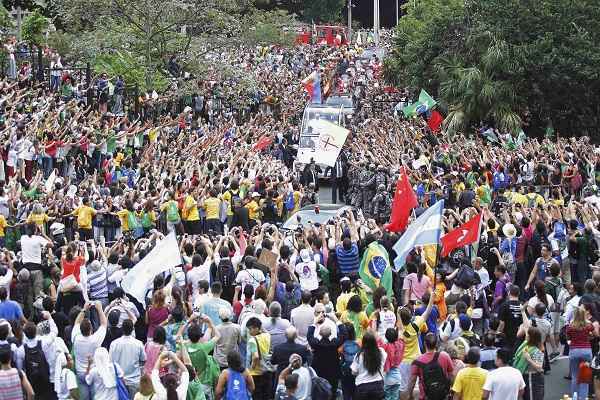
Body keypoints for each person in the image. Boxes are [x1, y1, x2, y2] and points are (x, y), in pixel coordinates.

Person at [72, 301, 108, 400]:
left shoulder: (76, 338)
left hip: (80, 373)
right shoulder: (95, 340)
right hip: (93, 372)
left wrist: (84, 309)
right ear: (91, 329)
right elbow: (104, 324)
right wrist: (99, 309)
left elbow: (77, 322)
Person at [408, 333, 454, 400]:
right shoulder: (445, 356)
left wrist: (410, 395)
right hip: (443, 394)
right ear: (436, 344)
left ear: (424, 343)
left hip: (426, 396)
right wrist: (451, 390)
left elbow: (412, 381)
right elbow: (451, 375)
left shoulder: (417, 361)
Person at [109, 319, 146, 397]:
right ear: (133, 329)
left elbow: (110, 362)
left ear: (122, 329)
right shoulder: (138, 344)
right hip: (133, 381)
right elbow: (144, 360)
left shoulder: (114, 344)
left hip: (120, 381)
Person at [567, 306, 597, 399]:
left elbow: (568, 338)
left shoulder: (570, 325)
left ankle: (574, 397)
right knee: (584, 376)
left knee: (575, 375)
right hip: (586, 351)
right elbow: (595, 334)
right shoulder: (588, 324)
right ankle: (582, 397)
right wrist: (589, 337)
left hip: (574, 351)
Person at [351, 331, 386, 400]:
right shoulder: (381, 352)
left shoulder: (359, 355)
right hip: (378, 386)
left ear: (363, 342)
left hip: (362, 387)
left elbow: (353, 372)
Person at [245, 317, 272, 400]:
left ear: (256, 328)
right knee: (266, 395)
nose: (249, 332)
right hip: (267, 370)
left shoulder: (252, 341)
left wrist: (251, 369)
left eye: (250, 329)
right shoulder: (267, 336)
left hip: (256, 373)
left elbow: (256, 356)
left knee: (257, 396)